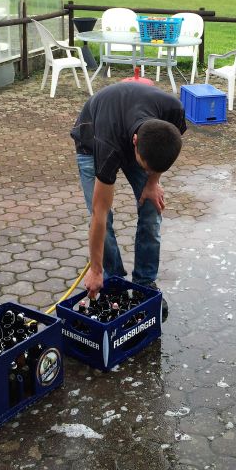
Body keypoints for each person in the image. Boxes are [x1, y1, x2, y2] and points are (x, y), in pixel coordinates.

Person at [71, 81, 187, 319]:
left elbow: (158, 158)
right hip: (92, 138)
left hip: (131, 129)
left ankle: (145, 283)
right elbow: (100, 213)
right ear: (135, 142)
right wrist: (95, 269)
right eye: (144, 166)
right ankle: (113, 282)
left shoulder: (173, 113)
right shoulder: (107, 147)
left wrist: (153, 182)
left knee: (152, 207)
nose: (146, 172)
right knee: (104, 219)